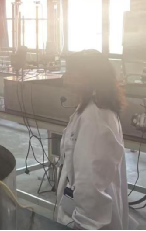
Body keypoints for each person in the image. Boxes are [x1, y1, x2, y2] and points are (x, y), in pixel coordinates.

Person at [57, 50, 135, 230]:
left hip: (91, 222)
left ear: (88, 77)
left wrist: (85, 223)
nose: (65, 77)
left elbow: (90, 181)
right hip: (84, 211)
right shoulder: (91, 108)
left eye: (71, 72)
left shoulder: (95, 117)